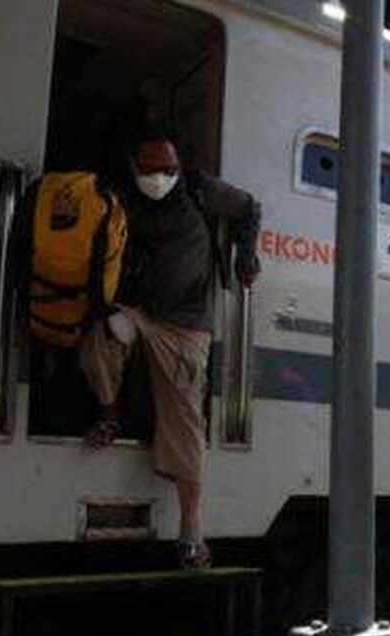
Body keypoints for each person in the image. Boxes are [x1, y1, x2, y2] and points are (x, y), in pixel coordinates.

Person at [80, 134, 261, 569]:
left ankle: (192, 535)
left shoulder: (200, 190)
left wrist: (246, 254)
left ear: (179, 169)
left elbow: (249, 208)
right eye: (149, 170)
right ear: (134, 167)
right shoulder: (123, 195)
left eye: (167, 170)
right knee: (100, 331)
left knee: (185, 423)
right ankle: (108, 413)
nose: (158, 179)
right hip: (141, 312)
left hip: (186, 327)